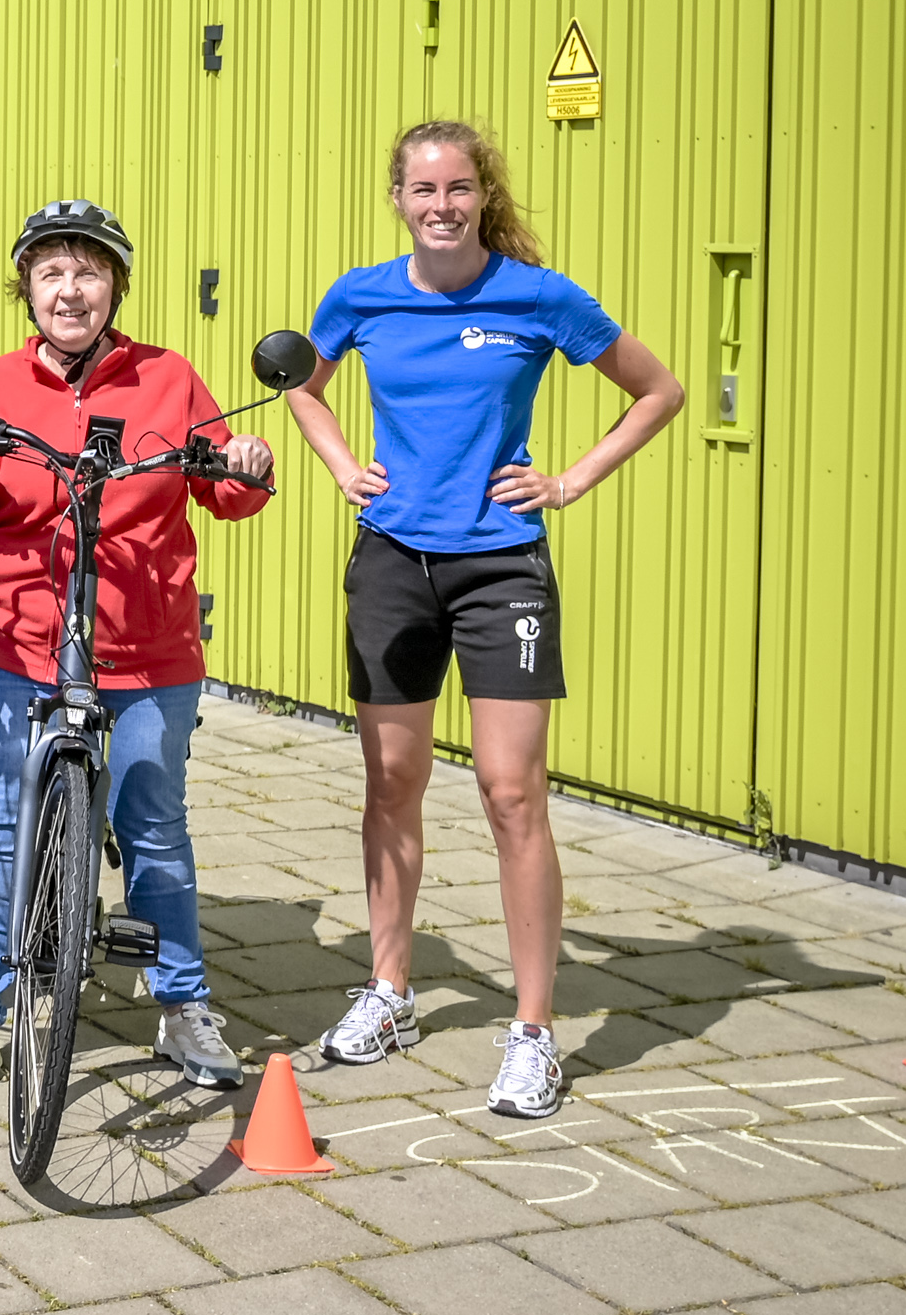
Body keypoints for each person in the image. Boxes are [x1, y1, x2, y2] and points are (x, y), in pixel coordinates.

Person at [288, 120, 684, 1119]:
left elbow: (658, 388)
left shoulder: (537, 296)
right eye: (423, 190)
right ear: (397, 198)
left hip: (500, 564)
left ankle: (535, 1032)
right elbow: (302, 383)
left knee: (512, 792)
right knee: (392, 778)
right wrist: (343, 465)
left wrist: (574, 477)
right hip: (392, 558)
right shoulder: (361, 293)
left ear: (481, 195)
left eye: (458, 188)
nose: (441, 206)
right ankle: (390, 993)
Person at [0, 201, 274, 1100]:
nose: (68, 290)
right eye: (49, 274)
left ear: (115, 285)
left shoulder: (166, 377)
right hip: (18, 640)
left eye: (87, 272)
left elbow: (221, 487)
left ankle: (182, 1004)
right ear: (26, 289)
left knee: (154, 822)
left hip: (147, 644)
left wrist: (247, 463)